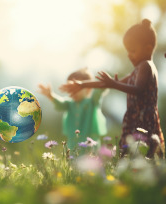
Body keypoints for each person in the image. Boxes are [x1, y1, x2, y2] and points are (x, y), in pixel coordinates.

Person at [60, 19, 165, 158]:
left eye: (133, 51)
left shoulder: (146, 66)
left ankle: (150, 172)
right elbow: (106, 84)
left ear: (148, 48)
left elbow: (138, 89)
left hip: (143, 119)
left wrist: (114, 84)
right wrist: (83, 84)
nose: (129, 55)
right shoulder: (138, 69)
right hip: (135, 118)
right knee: (129, 150)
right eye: (128, 51)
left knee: (145, 149)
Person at [38, 68, 108, 153]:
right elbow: (60, 104)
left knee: (90, 163)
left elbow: (103, 86)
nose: (72, 92)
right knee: (72, 159)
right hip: (73, 142)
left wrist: (87, 84)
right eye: (69, 89)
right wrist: (50, 95)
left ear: (88, 89)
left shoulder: (92, 102)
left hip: (90, 144)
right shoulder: (70, 103)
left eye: (75, 89)